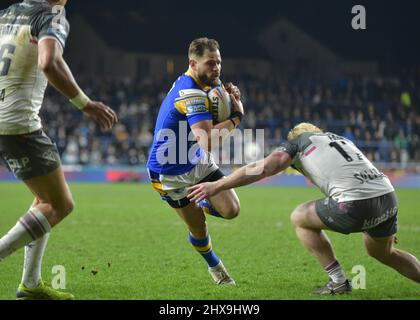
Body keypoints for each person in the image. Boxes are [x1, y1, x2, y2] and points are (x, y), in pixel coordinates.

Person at [188, 122, 420, 294]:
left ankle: (338, 281)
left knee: (300, 216)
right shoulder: (340, 140)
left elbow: (264, 168)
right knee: (381, 252)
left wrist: (218, 185)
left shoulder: (298, 142)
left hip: (355, 201)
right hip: (387, 197)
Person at [0, 0, 118, 300]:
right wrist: (85, 104)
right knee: (60, 204)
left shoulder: (10, 12)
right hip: (19, 124)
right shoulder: (51, 15)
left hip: (6, 117)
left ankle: (30, 283)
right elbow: (49, 62)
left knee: (43, 199)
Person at [146, 38, 244, 285]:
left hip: (197, 161)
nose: (217, 68)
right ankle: (216, 268)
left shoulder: (206, 81)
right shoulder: (190, 92)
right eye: (211, 63)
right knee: (198, 228)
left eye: (219, 62)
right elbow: (208, 141)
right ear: (193, 63)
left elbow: (210, 120)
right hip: (168, 172)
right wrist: (236, 117)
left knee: (232, 210)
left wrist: (227, 100)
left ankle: (200, 199)